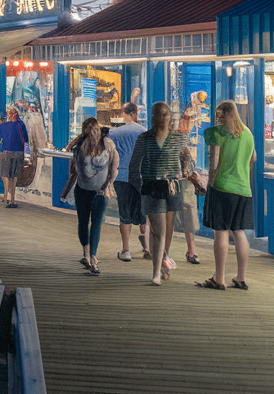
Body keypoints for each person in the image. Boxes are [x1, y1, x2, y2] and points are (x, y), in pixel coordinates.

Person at [197, 101, 257, 291]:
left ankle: (219, 278)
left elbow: (212, 156)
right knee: (238, 231)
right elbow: (253, 158)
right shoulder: (248, 134)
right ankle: (241, 277)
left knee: (221, 231)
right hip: (243, 189)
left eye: (220, 116)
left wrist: (210, 180)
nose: (218, 119)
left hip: (223, 186)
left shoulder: (220, 133)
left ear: (227, 115)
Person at [136, 102, 188, 285]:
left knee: (167, 230)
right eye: (160, 114)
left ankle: (164, 257)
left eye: (166, 114)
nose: (164, 118)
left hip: (172, 187)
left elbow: (187, 160)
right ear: (153, 117)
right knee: (159, 230)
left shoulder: (177, 138)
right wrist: (137, 187)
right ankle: (156, 272)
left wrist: (186, 174)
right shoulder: (145, 138)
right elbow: (135, 164)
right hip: (152, 186)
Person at [60, 117, 118, 275]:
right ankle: (90, 255)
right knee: (92, 224)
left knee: (87, 223)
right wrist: (109, 182)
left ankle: (89, 255)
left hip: (89, 190)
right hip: (94, 191)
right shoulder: (100, 144)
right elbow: (114, 166)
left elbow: (72, 167)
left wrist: (109, 181)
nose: (95, 132)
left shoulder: (83, 145)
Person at [110, 103, 149, 262]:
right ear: (135, 113)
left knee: (125, 214)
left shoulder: (115, 133)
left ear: (124, 114)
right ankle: (147, 249)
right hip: (140, 177)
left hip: (122, 177)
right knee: (144, 214)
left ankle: (126, 250)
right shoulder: (144, 132)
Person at [175, 111, 203, 265]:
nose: (188, 125)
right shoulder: (175, 141)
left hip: (185, 183)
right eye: (186, 120)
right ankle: (160, 252)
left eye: (190, 120)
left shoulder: (191, 141)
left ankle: (191, 251)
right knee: (169, 216)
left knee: (189, 215)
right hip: (176, 183)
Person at [0, 107, 29, 208]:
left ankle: (6, 197)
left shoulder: (4, 125)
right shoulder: (20, 124)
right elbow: (26, 138)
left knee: (5, 175)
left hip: (7, 152)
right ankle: (12, 200)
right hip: (19, 153)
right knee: (14, 177)